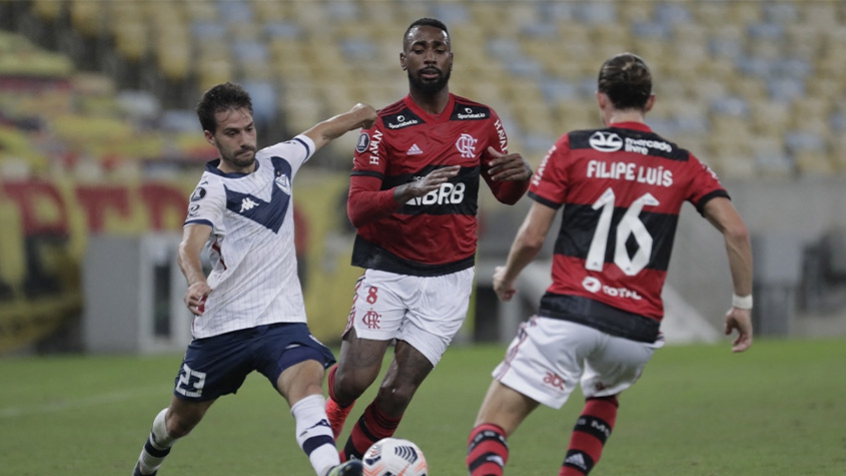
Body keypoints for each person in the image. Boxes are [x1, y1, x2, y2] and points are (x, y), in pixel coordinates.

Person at [465, 53, 754, 476]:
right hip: (635, 332)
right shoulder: (681, 162)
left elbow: (532, 237)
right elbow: (737, 231)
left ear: (602, 100)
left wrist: (507, 277)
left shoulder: (572, 147)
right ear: (650, 103)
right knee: (604, 392)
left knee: (490, 428)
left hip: (571, 313)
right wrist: (741, 304)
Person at [131, 82, 376, 476]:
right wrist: (196, 281)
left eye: (248, 129)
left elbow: (325, 130)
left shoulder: (281, 160)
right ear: (211, 137)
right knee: (180, 422)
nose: (244, 140)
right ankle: (144, 467)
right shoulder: (211, 191)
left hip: (282, 321)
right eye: (232, 133)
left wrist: (362, 112)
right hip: (223, 327)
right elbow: (187, 247)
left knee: (309, 386)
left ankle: (331, 470)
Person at [323, 18, 534, 461]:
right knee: (353, 381)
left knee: (398, 392)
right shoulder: (383, 126)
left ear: (451, 58)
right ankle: (334, 406)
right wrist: (408, 190)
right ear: (404, 60)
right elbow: (357, 208)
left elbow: (507, 195)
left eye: (439, 48)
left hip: (450, 278)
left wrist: (521, 177)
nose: (430, 56)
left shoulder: (481, 120)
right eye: (419, 49)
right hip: (390, 267)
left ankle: (345, 467)